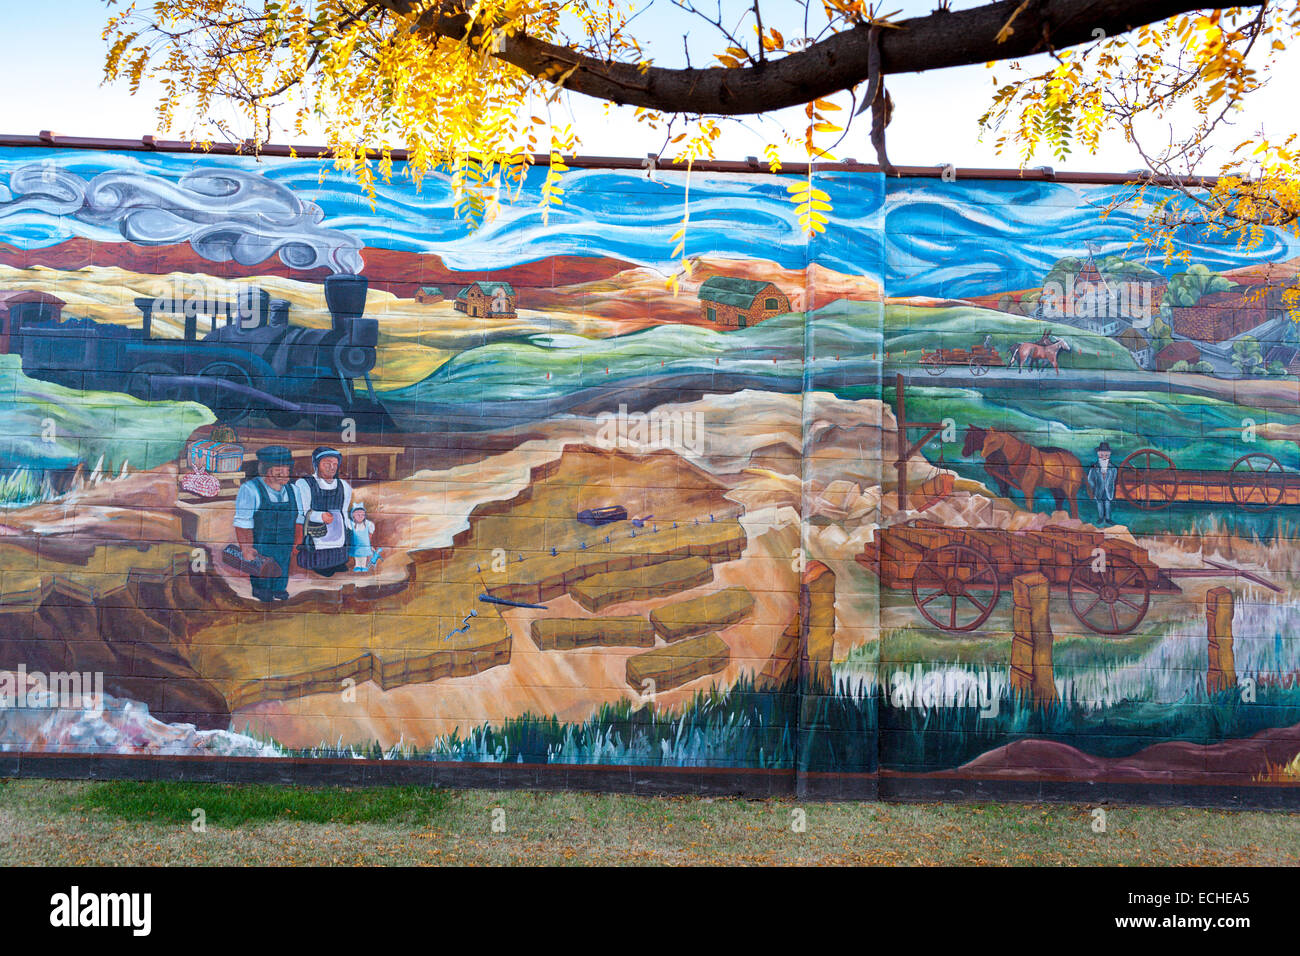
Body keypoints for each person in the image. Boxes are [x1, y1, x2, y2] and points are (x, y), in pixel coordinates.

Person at [233, 445, 300, 602]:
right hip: (262, 542)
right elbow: (243, 522)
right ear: (265, 470)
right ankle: (260, 589)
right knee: (262, 566)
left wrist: (298, 540)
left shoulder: (293, 490)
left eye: (287, 469)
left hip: (285, 541)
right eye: (278, 470)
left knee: (283, 562)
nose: (284, 474)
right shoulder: (250, 490)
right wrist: (246, 548)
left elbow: (299, 519)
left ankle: (279, 588)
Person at [293, 446, 353, 576]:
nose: (331, 467)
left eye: (335, 464)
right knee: (319, 548)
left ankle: (338, 562)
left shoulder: (344, 485)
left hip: (337, 525)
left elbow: (344, 510)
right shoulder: (305, 483)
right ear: (316, 464)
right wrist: (320, 516)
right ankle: (319, 565)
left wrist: (348, 527)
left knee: (339, 543)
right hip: (316, 526)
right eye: (327, 463)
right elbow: (304, 511)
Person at [1086, 440, 1118, 525]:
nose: (1104, 457)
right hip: (1098, 489)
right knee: (1099, 502)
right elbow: (1090, 479)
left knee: (1107, 503)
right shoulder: (1094, 467)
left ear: (1109, 455)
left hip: (1108, 489)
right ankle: (1100, 517)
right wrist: (1092, 489)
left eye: (1106, 455)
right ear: (1098, 454)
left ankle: (1108, 518)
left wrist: (1112, 489)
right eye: (1102, 455)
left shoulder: (1113, 468)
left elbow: (1114, 480)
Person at [348, 503, 383, 572]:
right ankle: (358, 565)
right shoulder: (351, 524)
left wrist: (369, 544)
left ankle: (363, 566)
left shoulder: (368, 524)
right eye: (358, 515)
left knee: (364, 556)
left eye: (362, 515)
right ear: (353, 516)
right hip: (356, 545)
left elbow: (370, 534)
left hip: (365, 545)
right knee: (357, 556)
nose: (360, 516)